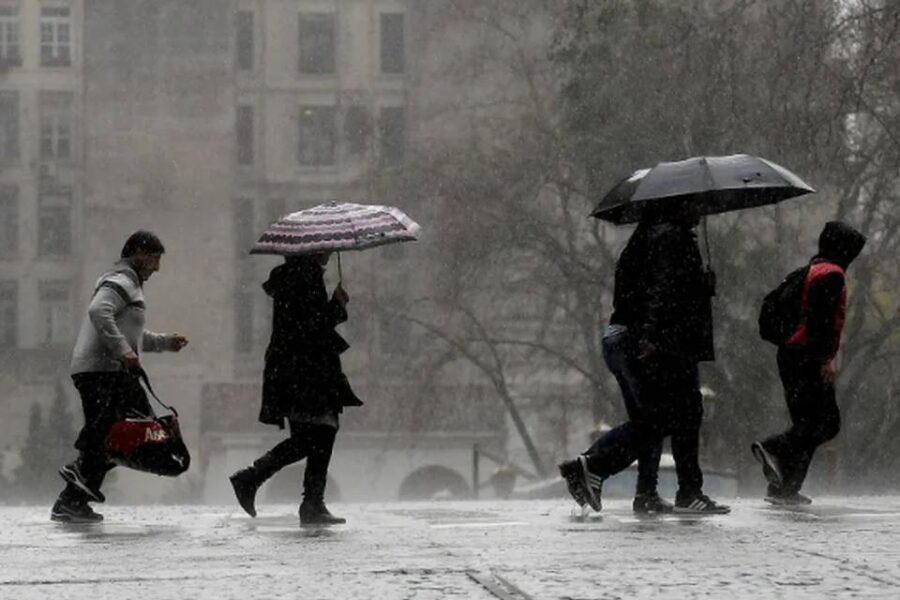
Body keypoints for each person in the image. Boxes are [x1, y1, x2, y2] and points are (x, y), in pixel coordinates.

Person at [559, 203, 730, 515]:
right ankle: (593, 465)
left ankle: (647, 491)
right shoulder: (671, 238)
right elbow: (662, 292)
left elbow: (641, 293)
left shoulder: (639, 243)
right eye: (695, 203)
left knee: (651, 417)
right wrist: (652, 335)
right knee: (674, 416)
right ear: (674, 208)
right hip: (654, 342)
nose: (700, 210)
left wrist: (700, 287)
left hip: (620, 338)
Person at [51, 231, 189, 523]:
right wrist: (123, 352)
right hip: (101, 370)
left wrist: (164, 342)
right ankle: (77, 479)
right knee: (117, 432)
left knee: (119, 434)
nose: (157, 268)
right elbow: (98, 312)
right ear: (138, 253)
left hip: (110, 370)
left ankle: (73, 497)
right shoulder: (121, 280)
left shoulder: (130, 285)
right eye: (154, 259)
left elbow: (131, 334)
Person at [229, 253, 362, 526]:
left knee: (312, 434)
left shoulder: (293, 276)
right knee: (321, 431)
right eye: (324, 245)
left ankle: (306, 500)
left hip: (293, 368)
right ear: (311, 251)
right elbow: (313, 325)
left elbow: (303, 322)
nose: (328, 249)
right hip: (307, 369)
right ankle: (263, 482)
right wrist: (337, 305)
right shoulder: (306, 277)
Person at [752, 221, 866, 505]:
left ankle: (785, 488)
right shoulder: (832, 275)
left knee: (806, 424)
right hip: (807, 355)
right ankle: (774, 448)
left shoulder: (808, 270)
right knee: (826, 423)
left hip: (790, 354)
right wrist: (824, 359)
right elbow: (821, 321)